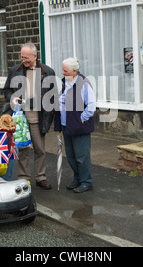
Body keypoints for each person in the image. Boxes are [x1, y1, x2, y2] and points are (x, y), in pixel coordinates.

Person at [3, 42, 57, 189]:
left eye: (26, 57)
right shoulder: (15, 70)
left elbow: (53, 97)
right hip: (20, 118)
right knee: (22, 150)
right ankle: (23, 177)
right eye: (21, 57)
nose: (23, 60)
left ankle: (41, 177)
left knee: (40, 149)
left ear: (35, 56)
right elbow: (6, 91)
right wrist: (12, 98)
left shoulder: (48, 72)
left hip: (38, 118)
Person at [54, 57, 96, 193]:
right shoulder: (65, 82)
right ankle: (77, 179)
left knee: (82, 157)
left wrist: (82, 118)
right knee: (71, 156)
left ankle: (86, 182)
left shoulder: (83, 83)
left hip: (79, 126)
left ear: (74, 71)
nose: (63, 72)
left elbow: (91, 105)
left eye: (65, 70)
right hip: (66, 125)